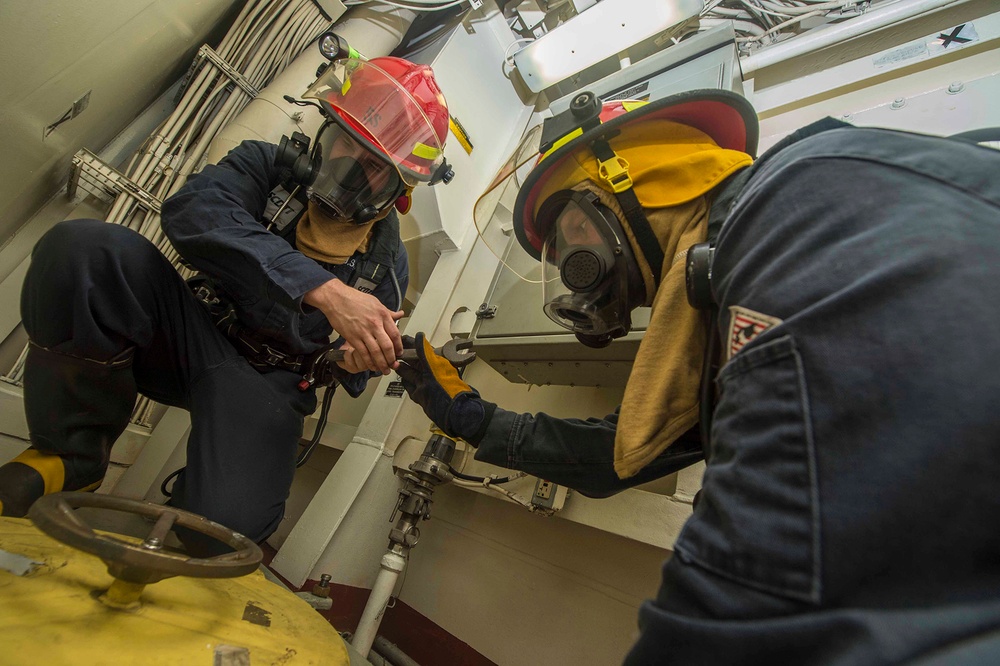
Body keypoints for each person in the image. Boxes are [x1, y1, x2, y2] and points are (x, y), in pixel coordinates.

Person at [396, 89, 1000, 663]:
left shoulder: (801, 197)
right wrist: (472, 419)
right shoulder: (721, 295)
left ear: (634, 180)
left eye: (568, 236)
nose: (573, 270)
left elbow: (759, 599)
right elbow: (619, 455)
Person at [0, 54, 453, 556]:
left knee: (221, 533)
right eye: (346, 141)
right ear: (323, 133)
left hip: (270, 382)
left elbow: (347, 368)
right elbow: (194, 214)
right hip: (190, 331)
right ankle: (73, 456)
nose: (349, 167)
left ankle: (204, 510)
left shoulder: (386, 266)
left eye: (372, 166)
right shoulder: (265, 166)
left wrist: (352, 360)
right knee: (84, 252)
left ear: (398, 192)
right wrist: (324, 290)